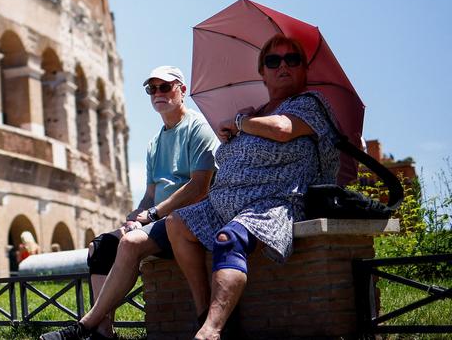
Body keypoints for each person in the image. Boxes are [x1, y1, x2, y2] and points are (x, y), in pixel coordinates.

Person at [166, 34, 339, 340]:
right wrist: (233, 135)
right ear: (262, 72)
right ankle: (204, 314)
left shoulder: (309, 104)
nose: (282, 66)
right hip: (224, 202)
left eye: (292, 59)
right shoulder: (256, 112)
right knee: (176, 223)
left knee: (228, 238)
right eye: (273, 61)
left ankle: (211, 331)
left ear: (304, 70)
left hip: (272, 202)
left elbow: (284, 130)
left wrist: (242, 122)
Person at [43, 65, 219, 340]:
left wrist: (152, 213)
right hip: (157, 220)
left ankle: (85, 325)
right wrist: (134, 216)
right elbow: (150, 194)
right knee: (100, 246)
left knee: (130, 243)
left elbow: (199, 187)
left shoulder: (199, 129)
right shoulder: (153, 143)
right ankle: (104, 332)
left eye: (165, 87)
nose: (158, 93)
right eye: (152, 89)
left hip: (190, 217)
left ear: (182, 90)